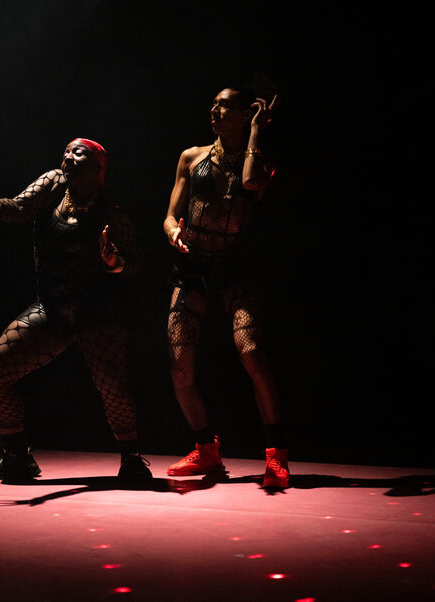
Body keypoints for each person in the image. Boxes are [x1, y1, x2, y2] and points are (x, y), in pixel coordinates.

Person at [0, 138, 152, 483]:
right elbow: (19, 206)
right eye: (67, 150)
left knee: (112, 388)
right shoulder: (51, 186)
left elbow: (133, 265)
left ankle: (131, 459)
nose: (69, 156)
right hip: (53, 310)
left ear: (98, 168)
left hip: (97, 315)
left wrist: (112, 261)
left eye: (80, 152)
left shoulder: (111, 212)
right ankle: (16, 456)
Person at [162, 86, 290, 489]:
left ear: (243, 113)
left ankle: (276, 456)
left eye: (224, 106)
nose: (214, 110)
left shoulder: (263, 163)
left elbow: (251, 182)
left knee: (251, 351)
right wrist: (172, 234)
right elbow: (169, 215)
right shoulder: (192, 157)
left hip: (236, 267)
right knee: (179, 363)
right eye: (213, 104)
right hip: (193, 267)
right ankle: (206, 449)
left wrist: (255, 132)